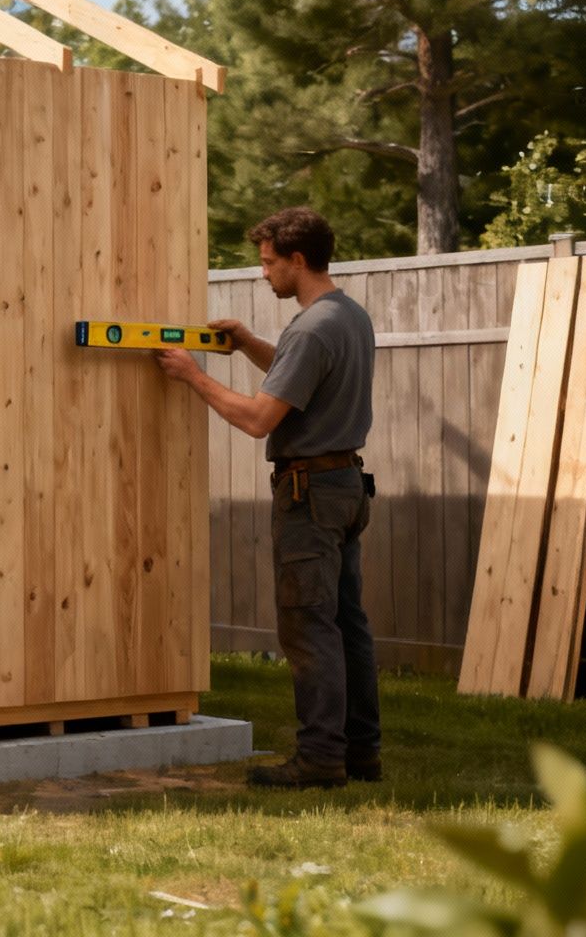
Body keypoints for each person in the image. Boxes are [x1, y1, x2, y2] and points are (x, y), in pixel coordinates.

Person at [153, 206, 380, 789]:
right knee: (347, 624)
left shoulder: (310, 328)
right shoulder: (347, 316)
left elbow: (258, 419)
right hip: (346, 487)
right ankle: (361, 753)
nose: (263, 273)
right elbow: (298, 376)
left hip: (310, 495)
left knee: (309, 626)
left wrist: (193, 375)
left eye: (268, 262)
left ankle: (320, 759)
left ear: (297, 260)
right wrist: (248, 343)